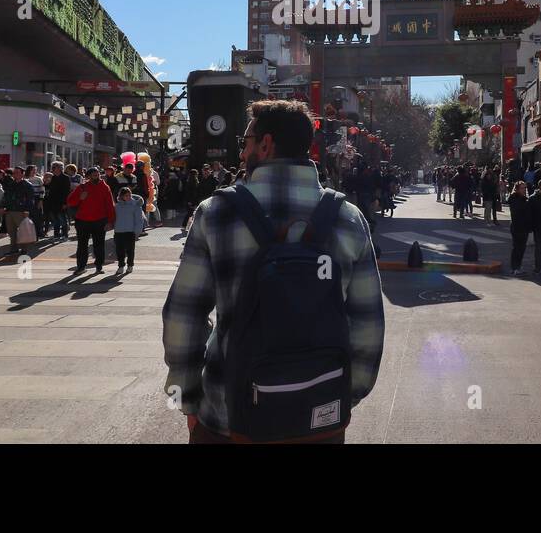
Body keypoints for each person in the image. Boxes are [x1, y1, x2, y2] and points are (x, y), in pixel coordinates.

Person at [162, 99, 384, 444]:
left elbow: (184, 316)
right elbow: (368, 324)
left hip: (229, 416)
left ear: (266, 144)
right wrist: (342, 396)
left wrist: (189, 398)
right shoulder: (348, 218)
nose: (241, 153)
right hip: (319, 416)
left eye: (245, 142)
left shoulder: (217, 212)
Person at [67, 167, 114, 273]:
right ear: (88, 176)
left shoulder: (105, 187)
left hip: (99, 220)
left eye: (97, 175)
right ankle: (81, 267)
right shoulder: (82, 187)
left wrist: (110, 221)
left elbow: (110, 205)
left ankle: (99, 266)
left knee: (99, 245)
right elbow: (70, 202)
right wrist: (80, 197)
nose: (97, 177)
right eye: (94, 175)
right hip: (82, 220)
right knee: (82, 245)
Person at [113, 187, 148, 274]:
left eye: (129, 195)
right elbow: (113, 218)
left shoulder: (135, 205)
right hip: (119, 231)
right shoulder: (117, 206)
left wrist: (137, 232)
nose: (128, 197)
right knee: (119, 250)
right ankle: (121, 266)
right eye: (126, 195)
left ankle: (130, 265)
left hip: (130, 231)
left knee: (130, 250)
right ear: (121, 196)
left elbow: (139, 220)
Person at [46, 162, 72, 241]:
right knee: (55, 220)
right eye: (53, 167)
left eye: (55, 167)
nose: (53, 168)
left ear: (60, 168)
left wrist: (65, 203)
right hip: (53, 202)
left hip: (61, 202)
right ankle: (56, 235)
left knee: (62, 219)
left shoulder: (66, 178)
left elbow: (67, 192)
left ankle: (65, 235)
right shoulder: (53, 178)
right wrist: (46, 184)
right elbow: (50, 189)